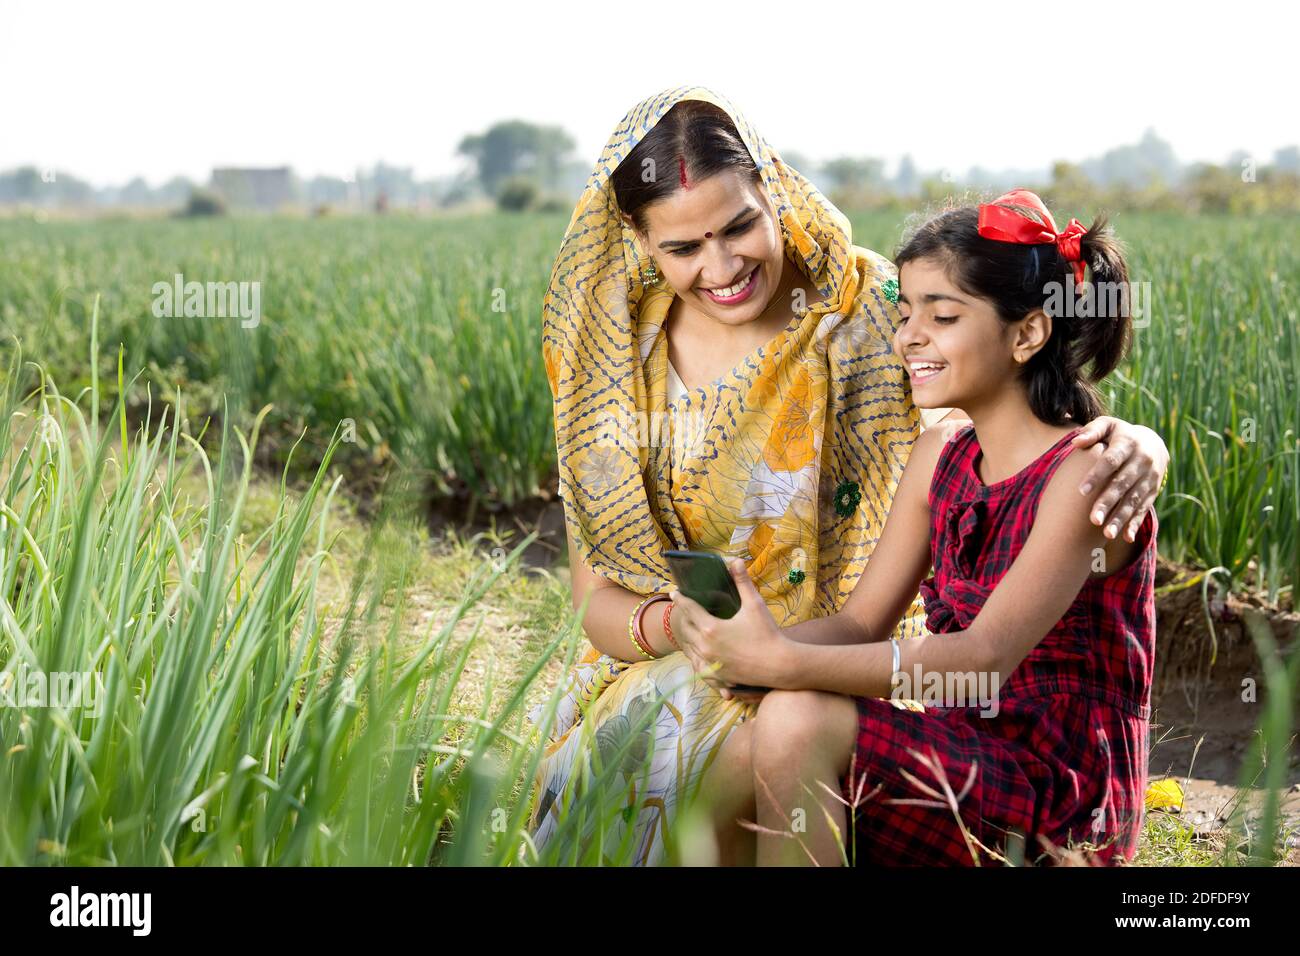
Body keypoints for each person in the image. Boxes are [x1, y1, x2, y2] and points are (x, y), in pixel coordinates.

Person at [527, 86, 1168, 866]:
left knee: (783, 725)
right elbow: (860, 623)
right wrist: (719, 642)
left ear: (773, 188)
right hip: (777, 667)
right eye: (684, 248)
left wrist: (1140, 441)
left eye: (739, 227)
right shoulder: (607, 357)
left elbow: (981, 652)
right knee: (707, 744)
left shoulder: (860, 304)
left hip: (1002, 752)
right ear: (638, 240)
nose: (722, 265)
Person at [669, 189, 1159, 866]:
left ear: (1027, 334)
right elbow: (861, 623)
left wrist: (784, 665)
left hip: (1057, 804)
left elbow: (983, 662)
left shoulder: (1084, 475)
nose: (910, 336)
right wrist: (750, 642)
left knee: (798, 715)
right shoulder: (942, 456)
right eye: (905, 313)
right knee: (735, 749)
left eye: (943, 314)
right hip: (960, 764)